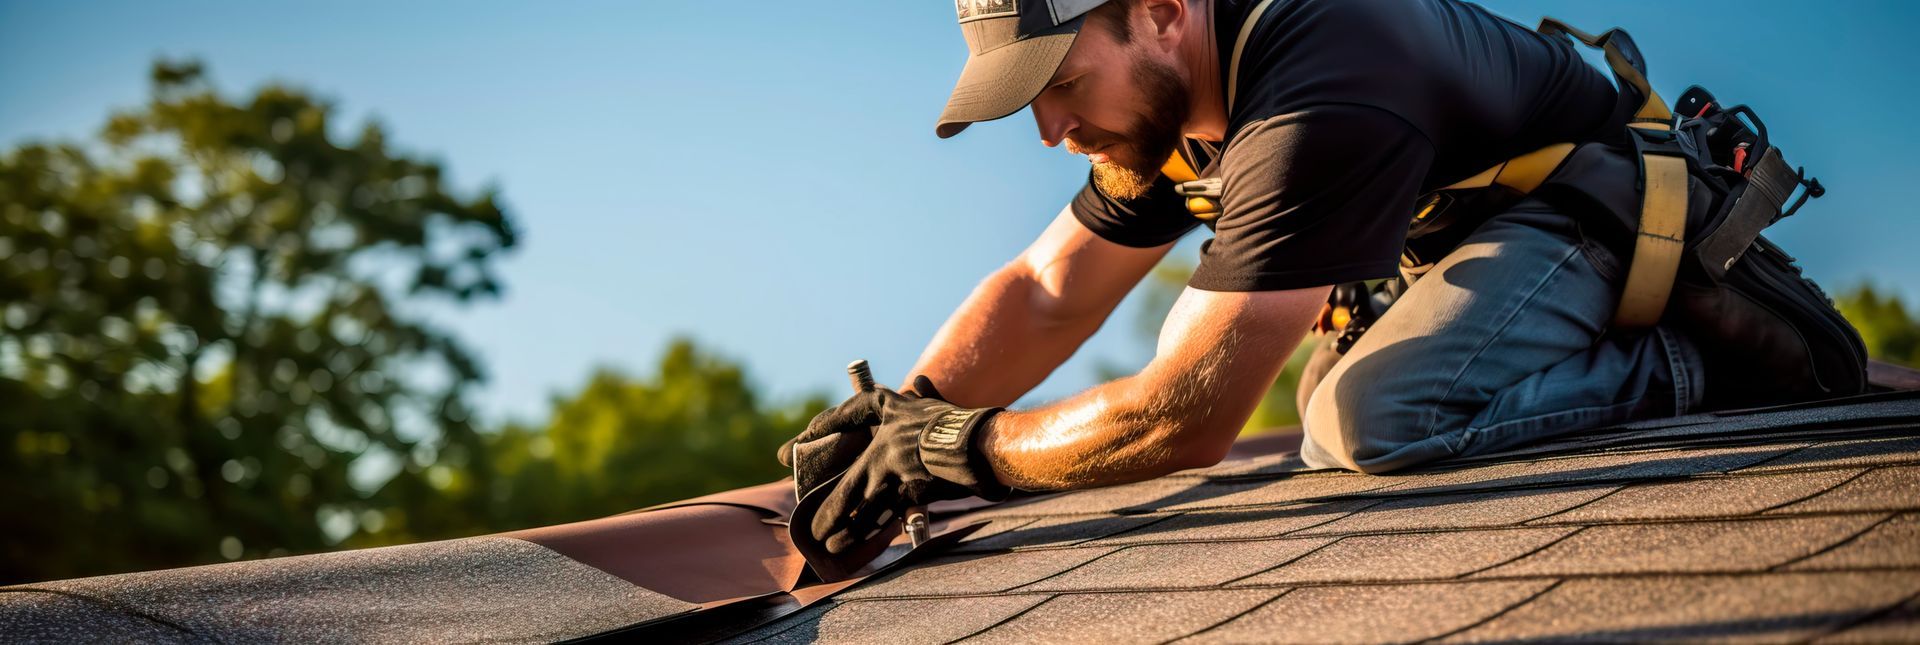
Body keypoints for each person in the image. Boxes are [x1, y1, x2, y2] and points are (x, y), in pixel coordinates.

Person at [784, 0, 1720, 555]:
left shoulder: (1320, 85)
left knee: (1373, 419)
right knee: (1323, 409)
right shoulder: (1174, 99)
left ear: (1159, 11)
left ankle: (1692, 362)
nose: (1048, 131)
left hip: (1608, 220)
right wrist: (905, 411)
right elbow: (1046, 289)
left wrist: (957, 449)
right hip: (1478, 244)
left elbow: (1183, 416)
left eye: (1062, 84)